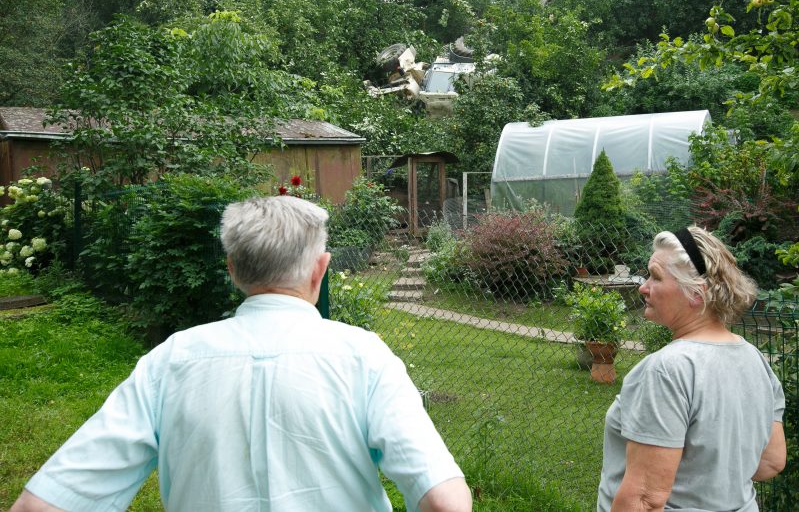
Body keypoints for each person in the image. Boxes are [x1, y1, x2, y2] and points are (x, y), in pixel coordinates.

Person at [12, 195, 472, 512]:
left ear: (232, 270)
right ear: (321, 270)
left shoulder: (170, 361)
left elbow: (46, 502)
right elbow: (443, 500)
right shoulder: (363, 356)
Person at [597, 227, 786, 512]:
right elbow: (771, 462)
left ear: (697, 293)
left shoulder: (666, 370)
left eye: (656, 277)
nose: (643, 286)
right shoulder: (755, 359)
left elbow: (645, 500)